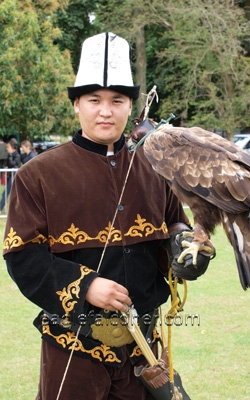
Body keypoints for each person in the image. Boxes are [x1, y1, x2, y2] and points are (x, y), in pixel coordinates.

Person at [3, 32, 211, 400]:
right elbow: (23, 256)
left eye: (117, 100)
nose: (105, 110)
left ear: (131, 106)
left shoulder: (155, 168)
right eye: (94, 99)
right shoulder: (38, 174)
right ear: (76, 105)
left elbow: (174, 226)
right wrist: (86, 286)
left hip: (144, 354)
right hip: (73, 351)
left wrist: (185, 249)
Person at [0, 138, 21, 212]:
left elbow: (15, 165)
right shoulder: (9, 155)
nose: (6, 149)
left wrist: (10, 156)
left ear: (13, 147)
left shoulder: (16, 155)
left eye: (8, 147)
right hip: (10, 176)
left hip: (14, 176)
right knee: (6, 193)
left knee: (7, 193)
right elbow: (7, 164)